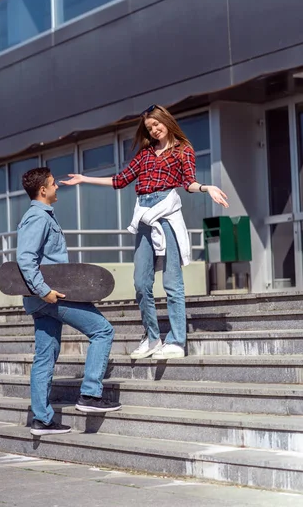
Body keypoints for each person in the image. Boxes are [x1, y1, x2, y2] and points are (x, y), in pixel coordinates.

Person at [62, 105, 228, 360]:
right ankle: (152, 338)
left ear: (166, 121)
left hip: (166, 215)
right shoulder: (145, 154)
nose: (154, 130)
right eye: (149, 128)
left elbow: (188, 182)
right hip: (143, 216)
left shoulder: (183, 150)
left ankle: (175, 341)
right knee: (141, 283)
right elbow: (120, 180)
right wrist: (84, 179)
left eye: (156, 125)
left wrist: (207, 188)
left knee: (172, 282)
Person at [17, 167, 121, 437]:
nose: (57, 187)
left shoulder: (40, 216)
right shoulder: (37, 218)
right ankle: (90, 394)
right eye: (54, 183)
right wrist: (44, 291)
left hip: (43, 299)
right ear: (43, 190)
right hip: (52, 296)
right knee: (102, 330)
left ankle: (42, 419)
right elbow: (25, 259)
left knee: (45, 356)